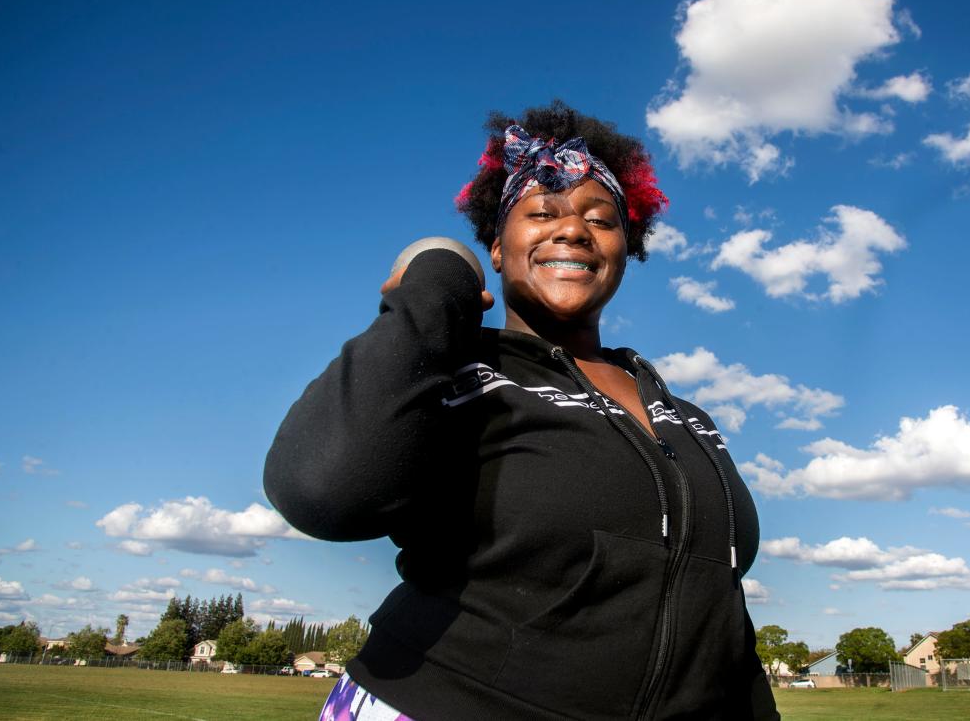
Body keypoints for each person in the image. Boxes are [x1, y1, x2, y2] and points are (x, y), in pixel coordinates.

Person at [264, 101, 779, 720]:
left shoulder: (687, 418)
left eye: (600, 218)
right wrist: (442, 273)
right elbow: (322, 490)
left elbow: (722, 607)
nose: (573, 230)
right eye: (540, 214)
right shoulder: (455, 374)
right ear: (499, 251)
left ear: (624, 248)